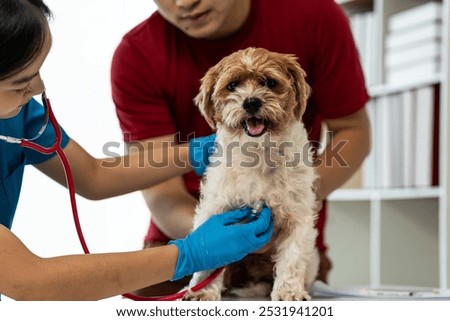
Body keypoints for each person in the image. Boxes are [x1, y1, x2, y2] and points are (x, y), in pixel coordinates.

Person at [0, 0, 274, 301]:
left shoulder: (17, 115)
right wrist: (189, 254)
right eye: (20, 82)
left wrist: (197, 152)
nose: (38, 88)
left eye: (38, 71)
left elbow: (93, 176)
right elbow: (26, 278)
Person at [111, 0, 371, 295]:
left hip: (287, 249)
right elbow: (159, 190)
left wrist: (299, 200)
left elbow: (353, 131)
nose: (184, 2)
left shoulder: (316, 15)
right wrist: (207, 243)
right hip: (180, 243)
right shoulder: (137, 54)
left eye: (268, 83)